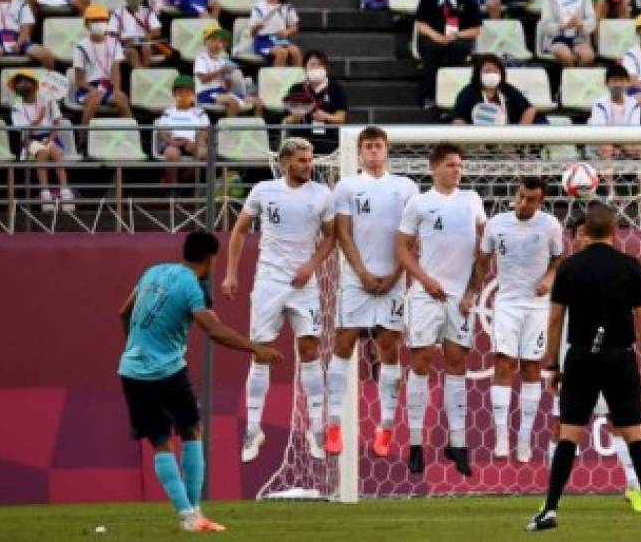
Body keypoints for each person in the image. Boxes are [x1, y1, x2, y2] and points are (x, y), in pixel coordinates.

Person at [527, 203, 641, 531]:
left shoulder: (570, 268)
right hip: (618, 356)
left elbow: (555, 318)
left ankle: (549, 511)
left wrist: (552, 364)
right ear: (615, 230)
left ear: (586, 232)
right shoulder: (630, 266)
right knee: (635, 435)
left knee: (569, 433)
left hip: (581, 356)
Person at [119, 232, 282, 534]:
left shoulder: (152, 271)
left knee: (160, 443)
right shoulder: (192, 287)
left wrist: (134, 346)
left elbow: (124, 312)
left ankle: (189, 516)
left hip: (131, 370)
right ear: (210, 259)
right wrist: (256, 347)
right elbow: (214, 330)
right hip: (167, 372)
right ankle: (194, 513)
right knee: (192, 431)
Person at [224, 138, 337, 462]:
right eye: (302, 160)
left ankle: (315, 428)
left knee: (310, 349)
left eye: (310, 159)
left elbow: (331, 236)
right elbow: (240, 231)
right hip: (269, 282)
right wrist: (231, 273)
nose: (308, 165)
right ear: (286, 161)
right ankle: (254, 429)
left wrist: (312, 265)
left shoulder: (321, 195)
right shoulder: (263, 190)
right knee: (259, 352)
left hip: (305, 285)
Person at [327, 126, 419, 458]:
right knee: (344, 340)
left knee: (389, 346)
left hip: (395, 275)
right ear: (360, 151)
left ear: (387, 149)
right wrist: (361, 272)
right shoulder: (347, 186)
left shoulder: (406, 187)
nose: (374, 151)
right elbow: (343, 233)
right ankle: (334, 422)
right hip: (356, 277)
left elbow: (411, 237)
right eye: (368, 146)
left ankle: (386, 426)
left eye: (378, 146)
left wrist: (396, 274)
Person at [397, 142, 488, 476]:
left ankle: (458, 443)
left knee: (456, 363)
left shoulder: (472, 200)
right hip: (425, 294)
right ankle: (417, 444)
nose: (457, 170)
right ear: (434, 167)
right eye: (450, 165)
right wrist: (423, 279)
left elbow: (486, 246)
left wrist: (472, 291)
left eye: (460, 165)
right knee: (420, 361)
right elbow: (402, 249)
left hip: (459, 298)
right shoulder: (419, 203)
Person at [467, 177, 564, 462]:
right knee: (504, 362)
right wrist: (471, 293)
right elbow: (483, 261)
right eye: (520, 196)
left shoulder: (550, 225)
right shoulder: (497, 223)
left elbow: (558, 259)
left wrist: (548, 278)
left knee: (531, 366)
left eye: (530, 199)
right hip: (507, 303)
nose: (523, 203)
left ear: (540, 201)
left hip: (536, 305)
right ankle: (501, 437)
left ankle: (524, 439)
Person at [414, 0, 483, 109]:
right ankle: (429, 95)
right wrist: (437, 36)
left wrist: (456, 35)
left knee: (457, 49)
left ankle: (455, 96)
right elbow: (420, 24)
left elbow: (476, 29)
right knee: (432, 50)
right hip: (432, 38)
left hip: (459, 39)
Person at [8, 69, 74, 211]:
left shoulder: (47, 100)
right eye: (19, 83)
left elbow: (56, 123)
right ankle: (45, 195)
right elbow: (24, 134)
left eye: (25, 81)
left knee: (55, 151)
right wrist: (37, 120)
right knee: (42, 152)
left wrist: (50, 138)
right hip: (29, 141)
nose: (22, 85)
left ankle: (65, 192)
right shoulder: (16, 108)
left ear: (34, 84)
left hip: (50, 137)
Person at [74, 4, 133, 127]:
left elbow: (116, 69)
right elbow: (79, 80)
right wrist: (93, 90)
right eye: (94, 20)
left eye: (102, 20)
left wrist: (117, 90)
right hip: (88, 87)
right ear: (86, 24)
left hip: (108, 86)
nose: (99, 23)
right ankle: (82, 140)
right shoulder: (80, 46)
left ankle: (132, 135)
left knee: (121, 99)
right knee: (94, 100)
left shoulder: (114, 43)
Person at [282, 50, 348, 155]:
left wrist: (326, 117)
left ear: (326, 68)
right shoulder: (296, 89)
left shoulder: (335, 88)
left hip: (328, 140)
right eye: (312, 65)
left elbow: (341, 118)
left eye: (320, 65)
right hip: (300, 141)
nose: (316, 68)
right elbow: (287, 120)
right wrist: (296, 117)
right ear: (305, 68)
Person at [193, 25, 262, 118]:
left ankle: (256, 130)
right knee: (233, 103)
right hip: (205, 94)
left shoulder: (222, 60)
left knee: (258, 102)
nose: (217, 44)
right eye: (213, 40)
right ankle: (229, 131)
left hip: (222, 92)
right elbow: (203, 79)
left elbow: (227, 85)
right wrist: (221, 71)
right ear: (206, 42)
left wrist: (229, 78)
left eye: (220, 41)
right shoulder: (201, 58)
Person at [451, 53, 537, 125]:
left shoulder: (507, 89)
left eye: (495, 71)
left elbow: (529, 109)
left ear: (501, 74)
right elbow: (458, 119)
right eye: (487, 71)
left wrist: (520, 133)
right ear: (478, 74)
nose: (491, 74)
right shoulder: (468, 92)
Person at [539, 0, 597, 68]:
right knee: (565, 54)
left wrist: (581, 24)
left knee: (588, 56)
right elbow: (545, 25)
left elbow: (592, 20)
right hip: (556, 39)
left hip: (579, 38)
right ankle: (570, 81)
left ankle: (578, 79)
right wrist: (562, 26)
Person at [157, 75, 209, 186]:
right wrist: (174, 142)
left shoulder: (200, 112)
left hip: (193, 142)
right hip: (173, 142)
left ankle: (186, 178)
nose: (184, 94)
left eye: (188, 91)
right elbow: (162, 133)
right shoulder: (168, 112)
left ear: (194, 94)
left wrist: (196, 143)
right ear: (174, 94)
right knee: (171, 153)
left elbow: (204, 131)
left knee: (203, 152)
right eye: (180, 91)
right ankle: (172, 186)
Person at [0, 0, 54, 68]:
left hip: (18, 38)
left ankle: (48, 81)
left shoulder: (22, 5)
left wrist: (18, 44)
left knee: (47, 56)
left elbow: (25, 30)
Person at [249, 0, 303, 67]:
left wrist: (287, 31)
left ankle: (298, 80)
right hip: (263, 41)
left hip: (280, 40)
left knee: (296, 52)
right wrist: (257, 27)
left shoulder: (287, 6)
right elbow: (252, 33)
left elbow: (294, 27)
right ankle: (276, 80)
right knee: (282, 53)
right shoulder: (258, 7)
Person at [110, 0, 162, 69]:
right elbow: (112, 33)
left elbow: (157, 31)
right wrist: (123, 41)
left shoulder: (148, 12)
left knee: (146, 49)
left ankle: (142, 74)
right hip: (126, 45)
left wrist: (145, 38)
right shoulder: (118, 13)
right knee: (131, 52)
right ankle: (141, 74)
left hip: (144, 42)